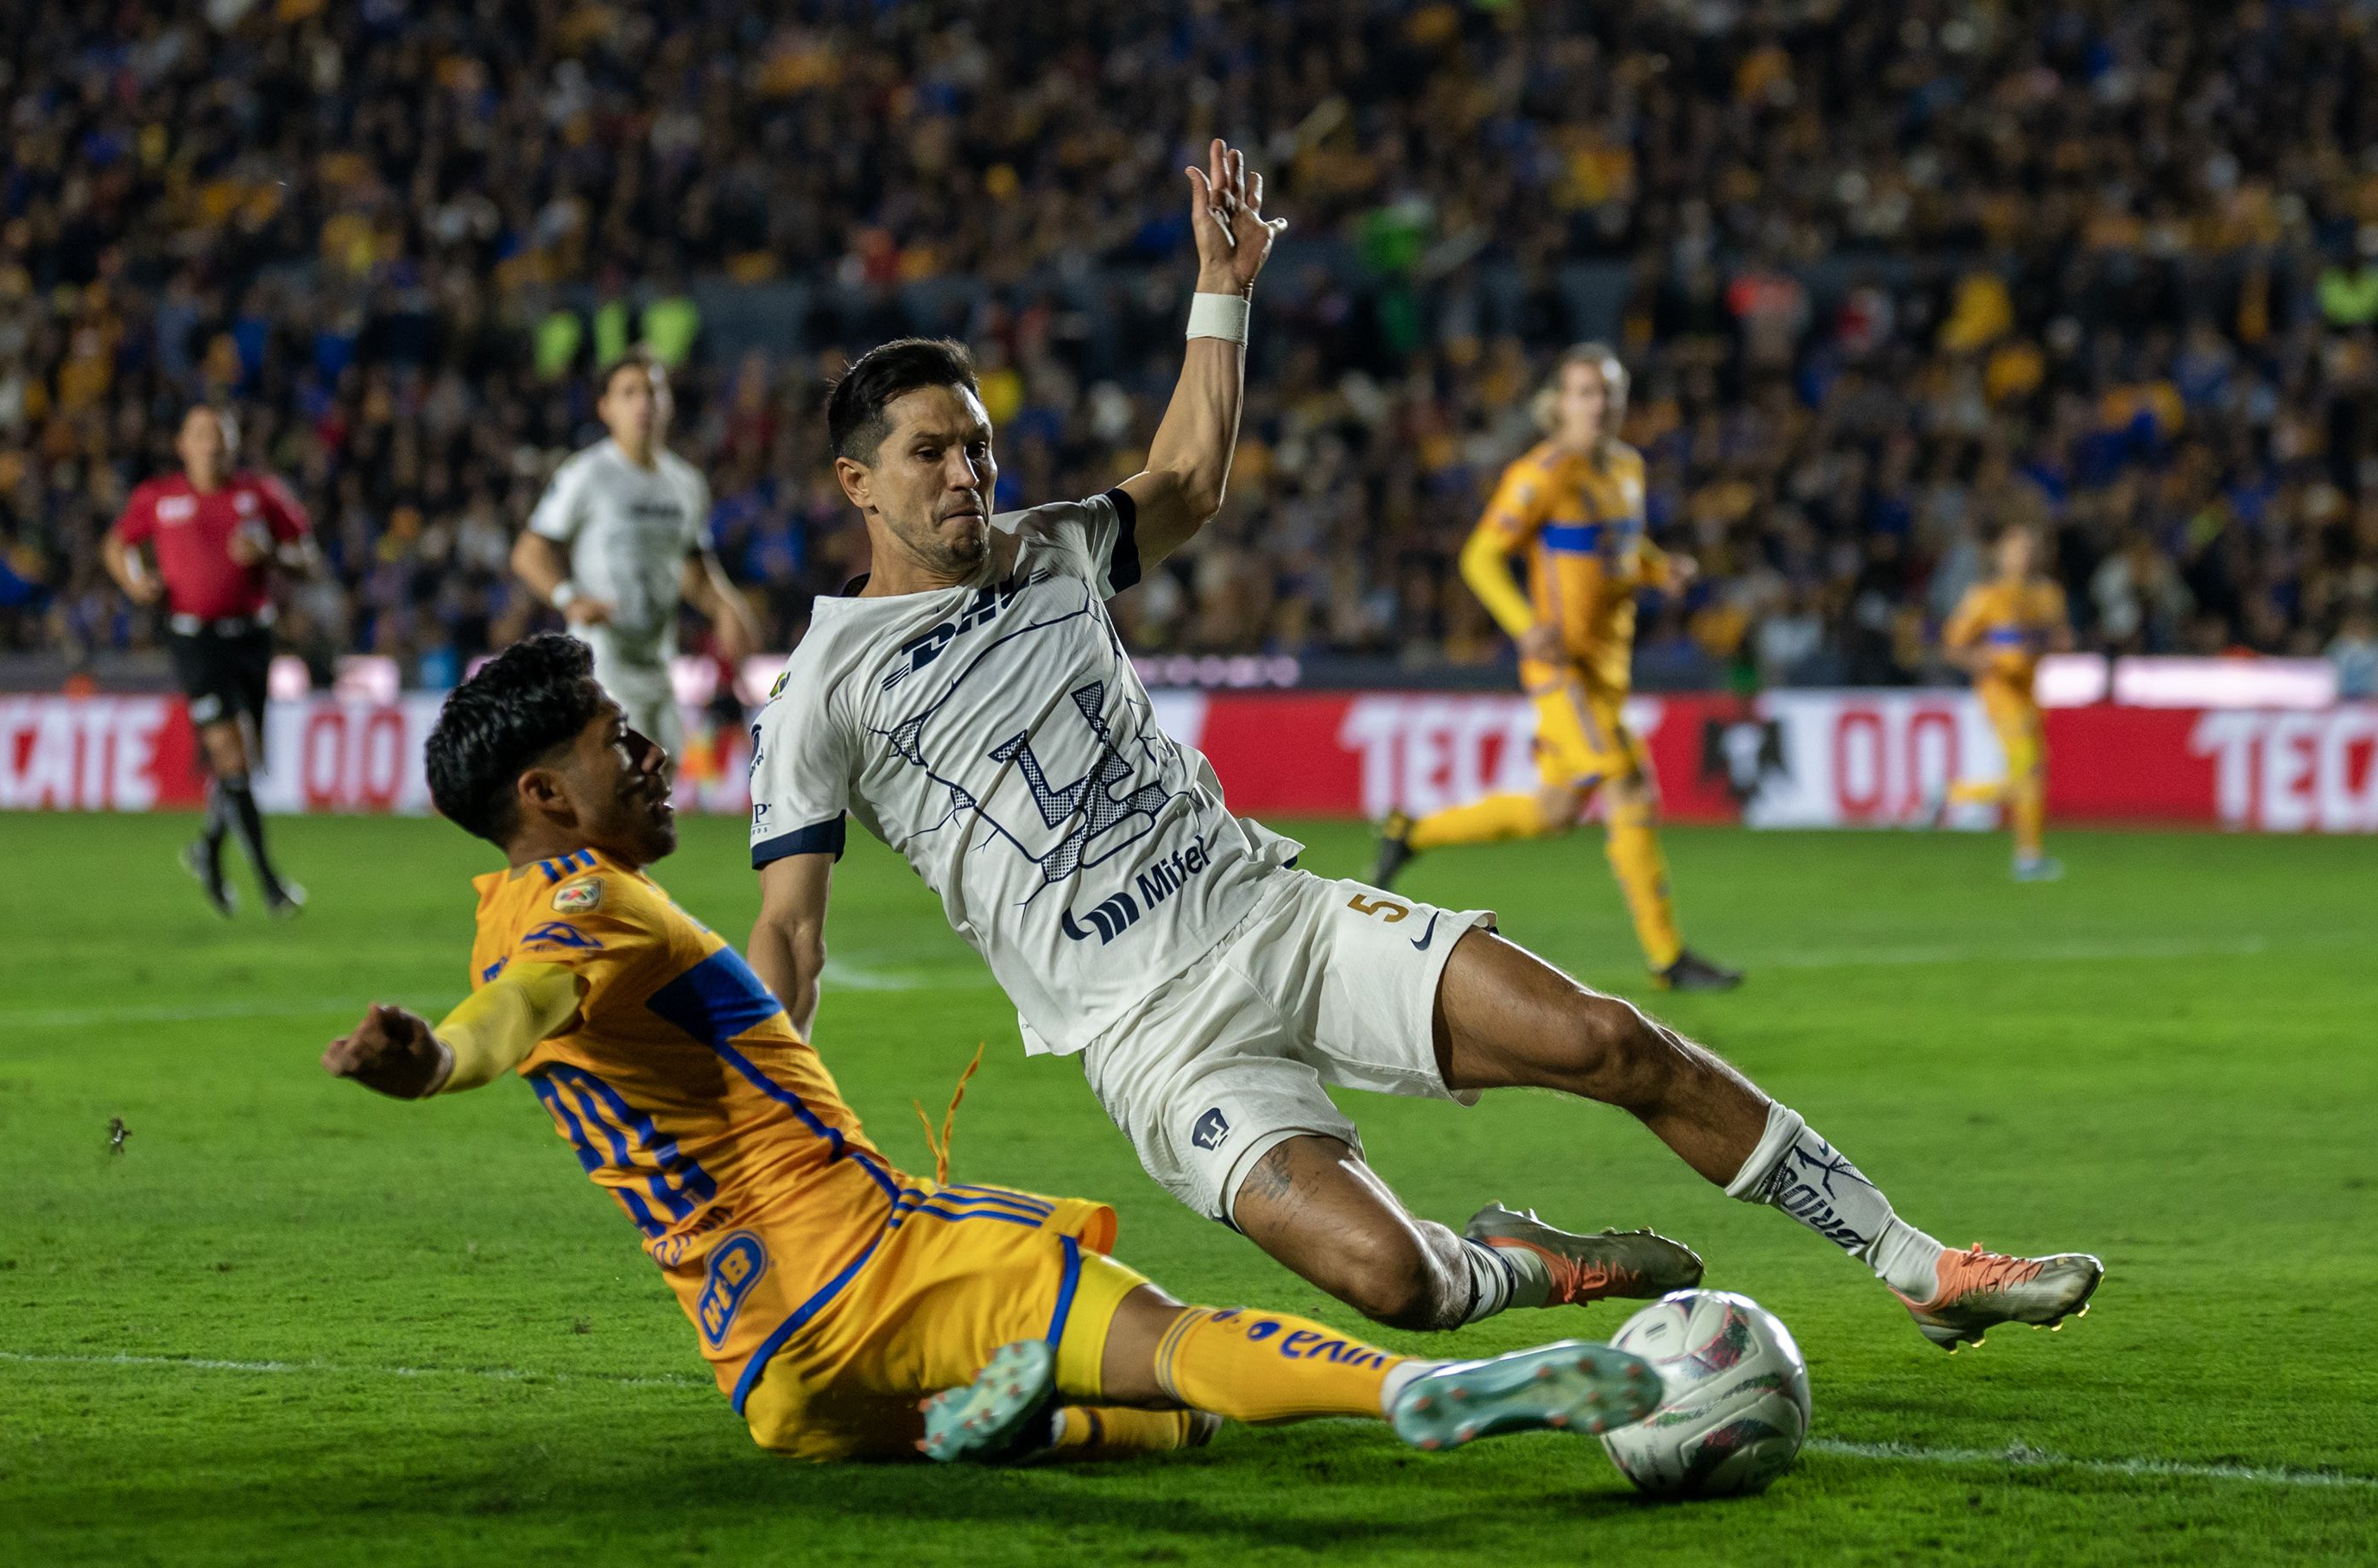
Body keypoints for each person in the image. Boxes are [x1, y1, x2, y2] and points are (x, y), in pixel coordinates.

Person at [745, 139, 2103, 1356]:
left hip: (1279, 916)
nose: (968, 475)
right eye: (931, 455)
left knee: (1608, 1038)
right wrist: (775, 1146)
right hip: (1154, 1040)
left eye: (978, 445)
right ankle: (1520, 1265)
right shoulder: (818, 689)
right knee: (1393, 1281)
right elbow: (793, 939)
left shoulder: (1052, 548)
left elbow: (1192, 479)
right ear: (858, 482)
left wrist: (1226, 289)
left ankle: (1919, 1262)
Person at [320, 634, 1666, 1465]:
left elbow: (523, 1005)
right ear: (546, 795)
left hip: (769, 1374)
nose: (654, 754)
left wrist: (444, 1048)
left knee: (1147, 1422)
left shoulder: (503, 918)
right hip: (877, 1263)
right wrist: (439, 1062)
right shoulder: (583, 907)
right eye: (620, 742)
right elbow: (517, 1020)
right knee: (1178, 1342)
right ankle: (1426, 1388)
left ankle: (1035, 1423)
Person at [1369, 345, 1741, 992]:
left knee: (1557, 809)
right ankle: (1667, 958)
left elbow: (1623, 550)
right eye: (1584, 392)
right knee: (1629, 786)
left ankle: (1412, 831)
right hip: (1561, 670)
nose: (1598, 404)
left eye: (1609, 392)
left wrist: (1662, 569)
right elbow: (1480, 557)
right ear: (1559, 403)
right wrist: (1524, 623)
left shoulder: (1628, 468)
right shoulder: (1542, 472)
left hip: (1607, 674)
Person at [101, 403, 317, 916]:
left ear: (235, 444)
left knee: (243, 765)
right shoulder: (159, 497)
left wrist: (269, 554)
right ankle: (270, 885)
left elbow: (307, 557)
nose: (212, 445)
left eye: (221, 435)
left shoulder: (260, 494)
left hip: (252, 637)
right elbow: (116, 545)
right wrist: (135, 581)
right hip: (194, 640)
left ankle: (207, 853)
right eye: (202, 435)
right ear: (183, 445)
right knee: (232, 757)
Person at [509, 350, 761, 765]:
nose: (643, 403)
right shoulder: (586, 475)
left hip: (658, 662)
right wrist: (568, 597)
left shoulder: (685, 484)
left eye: (652, 391)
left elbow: (696, 575)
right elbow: (528, 552)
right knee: (628, 780)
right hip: (601, 661)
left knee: (658, 787)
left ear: (669, 403)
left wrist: (727, 609)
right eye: (629, 393)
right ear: (605, 408)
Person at [1937, 522, 2072, 881]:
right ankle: (2026, 857)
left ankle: (1956, 796)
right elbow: (1953, 644)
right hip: (1999, 693)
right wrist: (1983, 660)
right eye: (2015, 550)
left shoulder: (2047, 596)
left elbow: (2062, 640)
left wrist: (2041, 645)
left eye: (2028, 550)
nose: (2022, 557)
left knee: (2033, 774)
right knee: (2027, 768)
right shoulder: (1985, 597)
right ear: (2000, 555)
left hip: (2030, 690)